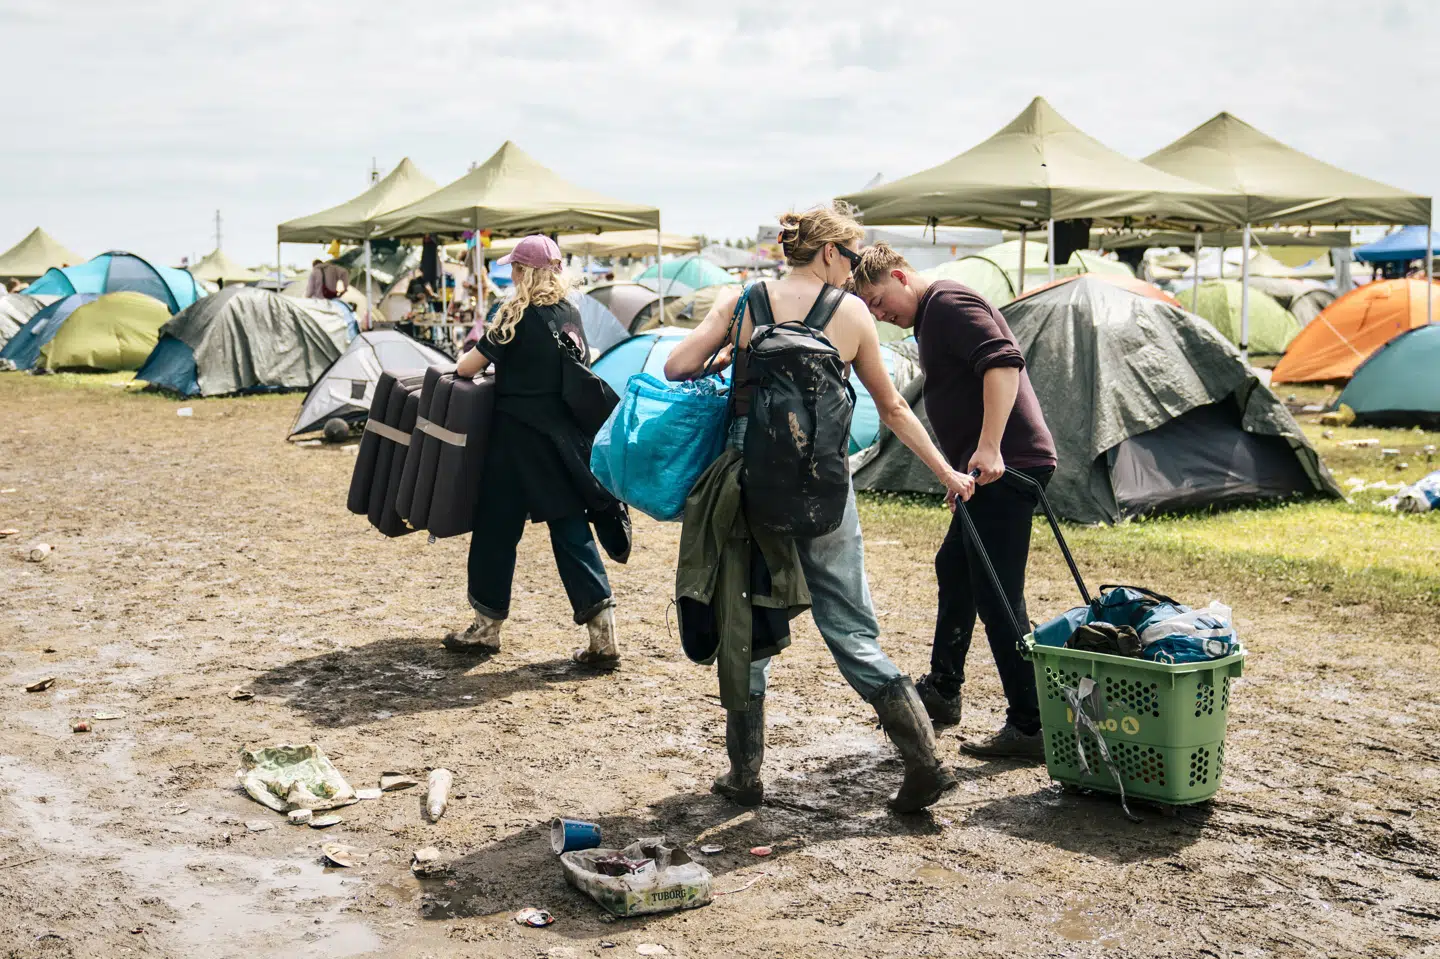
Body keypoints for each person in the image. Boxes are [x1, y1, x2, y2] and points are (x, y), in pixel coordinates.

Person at [664, 203, 976, 813]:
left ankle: (744, 775)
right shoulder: (852, 312)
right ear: (830, 251)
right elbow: (891, 408)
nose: (854, 270)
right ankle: (924, 764)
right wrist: (945, 471)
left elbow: (677, 366)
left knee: (745, 617)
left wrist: (730, 356)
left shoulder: (744, 301)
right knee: (852, 629)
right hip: (823, 486)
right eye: (851, 257)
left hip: (749, 485)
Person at [852, 243, 1057, 760]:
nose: (879, 315)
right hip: (986, 469)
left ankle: (1031, 724)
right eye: (872, 311)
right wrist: (965, 466)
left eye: (878, 301)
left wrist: (989, 448)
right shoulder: (932, 314)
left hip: (1010, 465)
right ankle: (943, 691)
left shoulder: (947, 303)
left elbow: (1003, 364)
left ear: (899, 276)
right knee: (955, 566)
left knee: (998, 594)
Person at [447, 234, 622, 668]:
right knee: (570, 531)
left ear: (523, 271)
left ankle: (486, 628)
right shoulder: (570, 313)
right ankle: (604, 637)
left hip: (516, 440)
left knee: (495, 531)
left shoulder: (514, 312)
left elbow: (467, 367)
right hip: (562, 440)